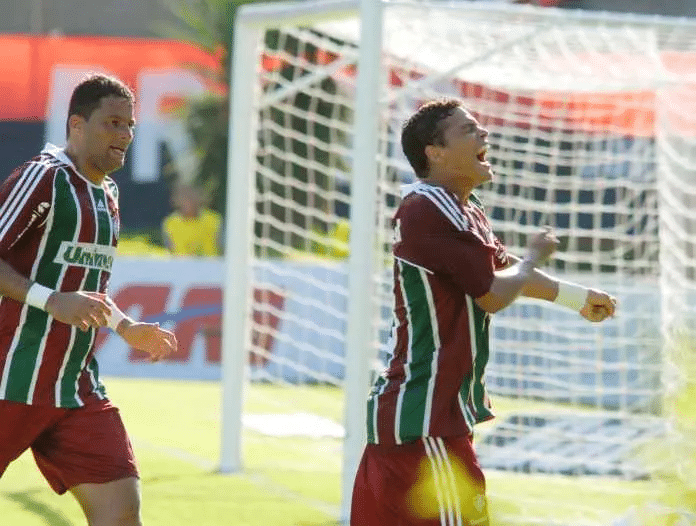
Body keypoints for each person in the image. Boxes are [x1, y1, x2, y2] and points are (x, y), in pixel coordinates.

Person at [350, 98, 617, 526]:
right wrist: (531, 258)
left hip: (417, 422)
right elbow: (492, 292)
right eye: (468, 129)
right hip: (427, 424)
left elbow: (500, 270)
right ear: (434, 153)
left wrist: (576, 298)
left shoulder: (461, 210)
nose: (484, 135)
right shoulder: (428, 208)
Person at [0, 74, 177, 526]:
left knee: (121, 512)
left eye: (130, 125)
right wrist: (49, 299)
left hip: (73, 387)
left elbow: (85, 284)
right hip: (10, 377)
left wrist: (123, 326)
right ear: (76, 124)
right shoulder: (44, 178)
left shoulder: (107, 194)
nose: (124, 136)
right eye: (112, 123)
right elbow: (58, 293)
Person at [161, 182, 222, 256]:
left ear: (199, 198)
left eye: (191, 196)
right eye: (184, 197)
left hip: (211, 265)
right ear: (176, 201)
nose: (188, 201)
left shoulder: (214, 220)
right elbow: (169, 251)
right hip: (180, 265)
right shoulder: (170, 222)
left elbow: (223, 247)